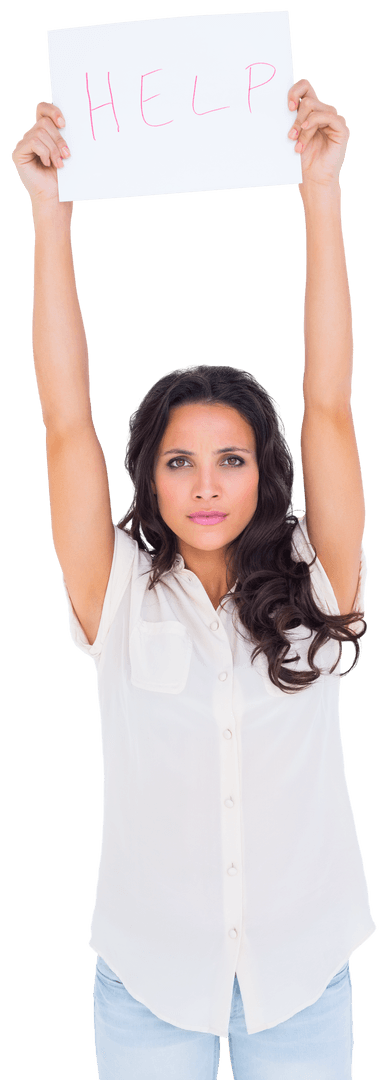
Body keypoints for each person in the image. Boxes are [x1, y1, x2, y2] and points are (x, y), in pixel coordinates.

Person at [11, 76, 377, 1080]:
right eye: (179, 461)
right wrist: (50, 219)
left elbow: (331, 404)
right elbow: (65, 422)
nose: (205, 485)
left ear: (266, 470)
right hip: (148, 986)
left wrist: (320, 197)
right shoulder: (115, 585)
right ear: (150, 476)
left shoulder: (319, 574)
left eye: (230, 459)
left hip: (300, 981)